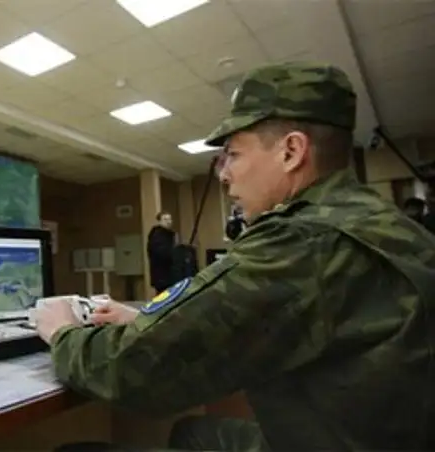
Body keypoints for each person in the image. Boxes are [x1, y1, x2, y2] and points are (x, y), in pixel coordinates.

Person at [33, 61, 435, 451]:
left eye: (233, 154)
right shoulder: (378, 220)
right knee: (193, 432)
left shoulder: (301, 240)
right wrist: (149, 322)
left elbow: (129, 371)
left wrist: (63, 331)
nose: (224, 174)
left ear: (291, 151)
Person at [146, 211, 176, 293]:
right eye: (165, 219)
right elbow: (161, 253)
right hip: (162, 274)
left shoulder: (169, 235)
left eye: (169, 219)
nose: (168, 222)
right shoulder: (157, 236)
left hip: (168, 274)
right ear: (159, 221)